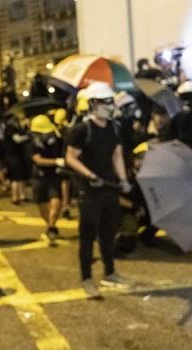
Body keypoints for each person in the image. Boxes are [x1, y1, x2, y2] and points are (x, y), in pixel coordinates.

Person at [65, 82, 131, 298]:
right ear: (93, 104)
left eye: (111, 102)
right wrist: (90, 175)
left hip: (109, 187)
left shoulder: (114, 127)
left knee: (108, 233)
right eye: (106, 102)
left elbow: (117, 154)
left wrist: (123, 179)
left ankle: (110, 272)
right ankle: (86, 278)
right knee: (87, 235)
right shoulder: (82, 129)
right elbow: (70, 158)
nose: (110, 106)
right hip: (90, 190)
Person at [29, 115, 65, 244]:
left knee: (56, 201)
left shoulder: (56, 138)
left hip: (53, 175)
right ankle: (51, 226)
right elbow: (37, 160)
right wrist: (56, 161)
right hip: (39, 176)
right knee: (42, 203)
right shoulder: (33, 142)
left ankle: (51, 227)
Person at [4, 112, 31, 205]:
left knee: (20, 177)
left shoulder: (15, 128)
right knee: (16, 178)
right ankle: (15, 197)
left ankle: (22, 196)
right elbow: (17, 139)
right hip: (13, 156)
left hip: (17, 156)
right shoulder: (10, 128)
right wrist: (28, 137)